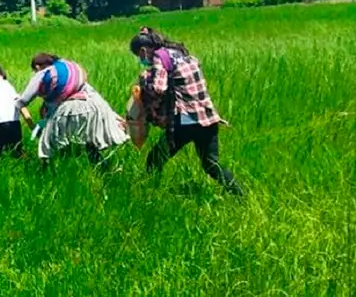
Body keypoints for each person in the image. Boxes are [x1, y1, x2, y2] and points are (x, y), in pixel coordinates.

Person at [128, 26, 244, 195]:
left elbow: (157, 88)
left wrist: (143, 80)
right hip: (207, 117)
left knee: (154, 159)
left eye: (139, 55)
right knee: (211, 164)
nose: (141, 60)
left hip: (185, 120)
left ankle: (150, 195)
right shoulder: (180, 53)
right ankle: (240, 195)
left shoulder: (159, 58)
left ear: (144, 50)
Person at [15, 53, 129, 167]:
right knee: (89, 144)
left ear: (37, 67)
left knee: (51, 143)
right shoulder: (73, 73)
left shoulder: (43, 74)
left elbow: (24, 100)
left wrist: (15, 101)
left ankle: (48, 172)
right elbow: (95, 95)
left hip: (71, 110)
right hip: (96, 108)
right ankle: (103, 167)